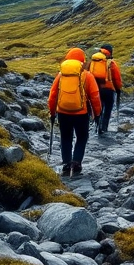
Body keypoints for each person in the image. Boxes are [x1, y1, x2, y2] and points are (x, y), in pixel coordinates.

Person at [48, 47, 102, 176]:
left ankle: (67, 163)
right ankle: (76, 163)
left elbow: (53, 95)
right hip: (81, 113)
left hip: (62, 112)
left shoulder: (61, 75)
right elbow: (95, 96)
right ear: (82, 60)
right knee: (82, 137)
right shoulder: (87, 75)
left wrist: (52, 112)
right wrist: (97, 114)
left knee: (65, 137)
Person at [89, 44, 123, 134]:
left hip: (96, 89)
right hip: (108, 90)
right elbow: (116, 78)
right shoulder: (111, 63)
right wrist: (118, 89)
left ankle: (96, 127)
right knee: (108, 109)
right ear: (110, 52)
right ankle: (104, 128)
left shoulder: (93, 61)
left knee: (98, 108)